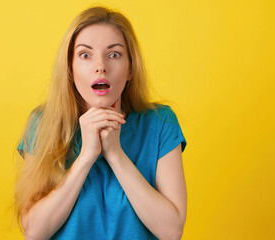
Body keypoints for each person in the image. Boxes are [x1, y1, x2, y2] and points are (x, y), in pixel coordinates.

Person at [14, 6, 187, 240]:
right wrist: (86, 156)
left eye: (114, 54)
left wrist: (115, 154)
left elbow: (171, 231)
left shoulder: (160, 122)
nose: (101, 67)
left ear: (130, 69)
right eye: (85, 55)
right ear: (70, 69)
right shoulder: (43, 123)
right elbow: (34, 233)